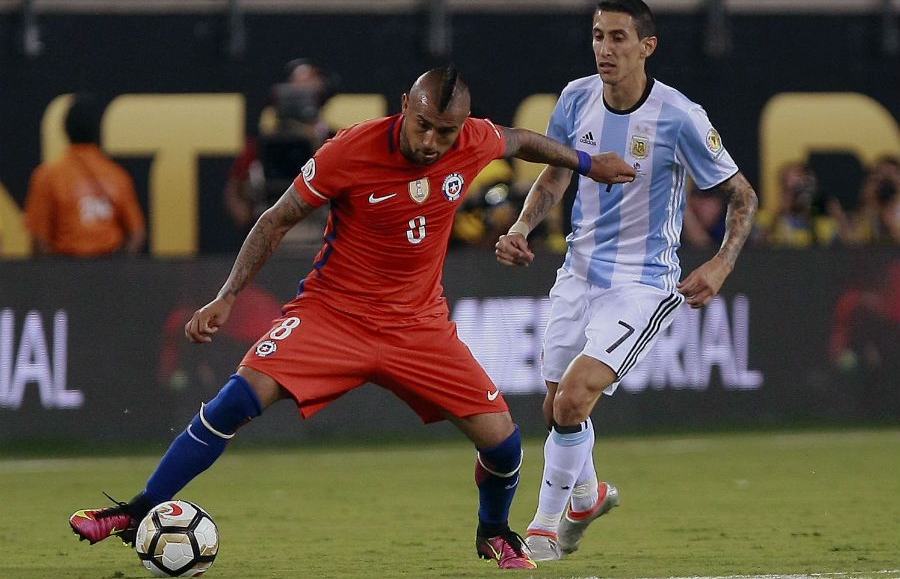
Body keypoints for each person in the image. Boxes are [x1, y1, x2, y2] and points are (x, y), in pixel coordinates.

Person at [69, 66, 636, 571]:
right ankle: (136, 510)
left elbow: (519, 141)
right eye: (424, 126)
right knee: (235, 401)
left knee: (505, 444)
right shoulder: (349, 151)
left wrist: (589, 162)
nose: (434, 141)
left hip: (419, 327)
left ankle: (493, 531)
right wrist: (227, 296)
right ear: (404, 107)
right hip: (332, 316)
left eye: (447, 131)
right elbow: (274, 220)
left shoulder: (472, 139)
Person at [494, 0, 758, 561]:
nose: (604, 50)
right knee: (555, 410)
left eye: (617, 38)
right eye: (597, 36)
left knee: (573, 398)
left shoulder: (679, 116)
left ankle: (542, 529)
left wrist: (721, 261)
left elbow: (742, 195)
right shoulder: (575, 98)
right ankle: (586, 495)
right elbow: (554, 178)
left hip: (642, 282)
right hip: (578, 272)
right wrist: (522, 228)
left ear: (647, 47)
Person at [224, 58, 336, 247]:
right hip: (272, 229)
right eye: (296, 89)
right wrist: (251, 226)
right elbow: (234, 189)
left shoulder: (335, 140)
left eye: (309, 89)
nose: (301, 94)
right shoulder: (263, 143)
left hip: (322, 232)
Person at [24, 94, 146, 257]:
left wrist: (52, 276)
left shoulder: (48, 176)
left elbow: (38, 238)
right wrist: (120, 270)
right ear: (98, 130)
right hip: (109, 269)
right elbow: (137, 233)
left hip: (65, 270)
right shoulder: (117, 175)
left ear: (66, 130)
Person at [755, 161, 850, 247]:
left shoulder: (825, 224)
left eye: (806, 189)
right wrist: (778, 216)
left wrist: (839, 216)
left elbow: (853, 250)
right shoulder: (764, 218)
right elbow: (755, 251)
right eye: (795, 190)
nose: (801, 196)